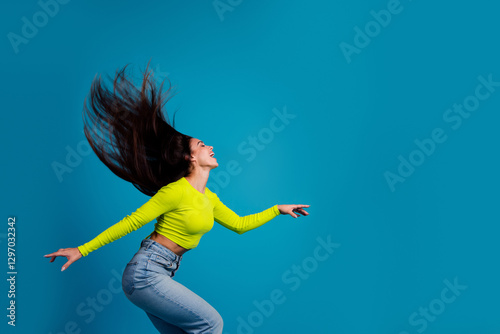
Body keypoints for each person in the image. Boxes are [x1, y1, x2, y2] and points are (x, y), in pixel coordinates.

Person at [44, 61, 310, 334]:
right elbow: (131, 222)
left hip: (162, 272)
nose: (210, 147)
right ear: (190, 156)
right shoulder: (175, 191)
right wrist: (82, 250)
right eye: (202, 145)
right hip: (145, 273)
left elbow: (240, 225)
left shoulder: (210, 199)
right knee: (212, 324)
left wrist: (277, 209)